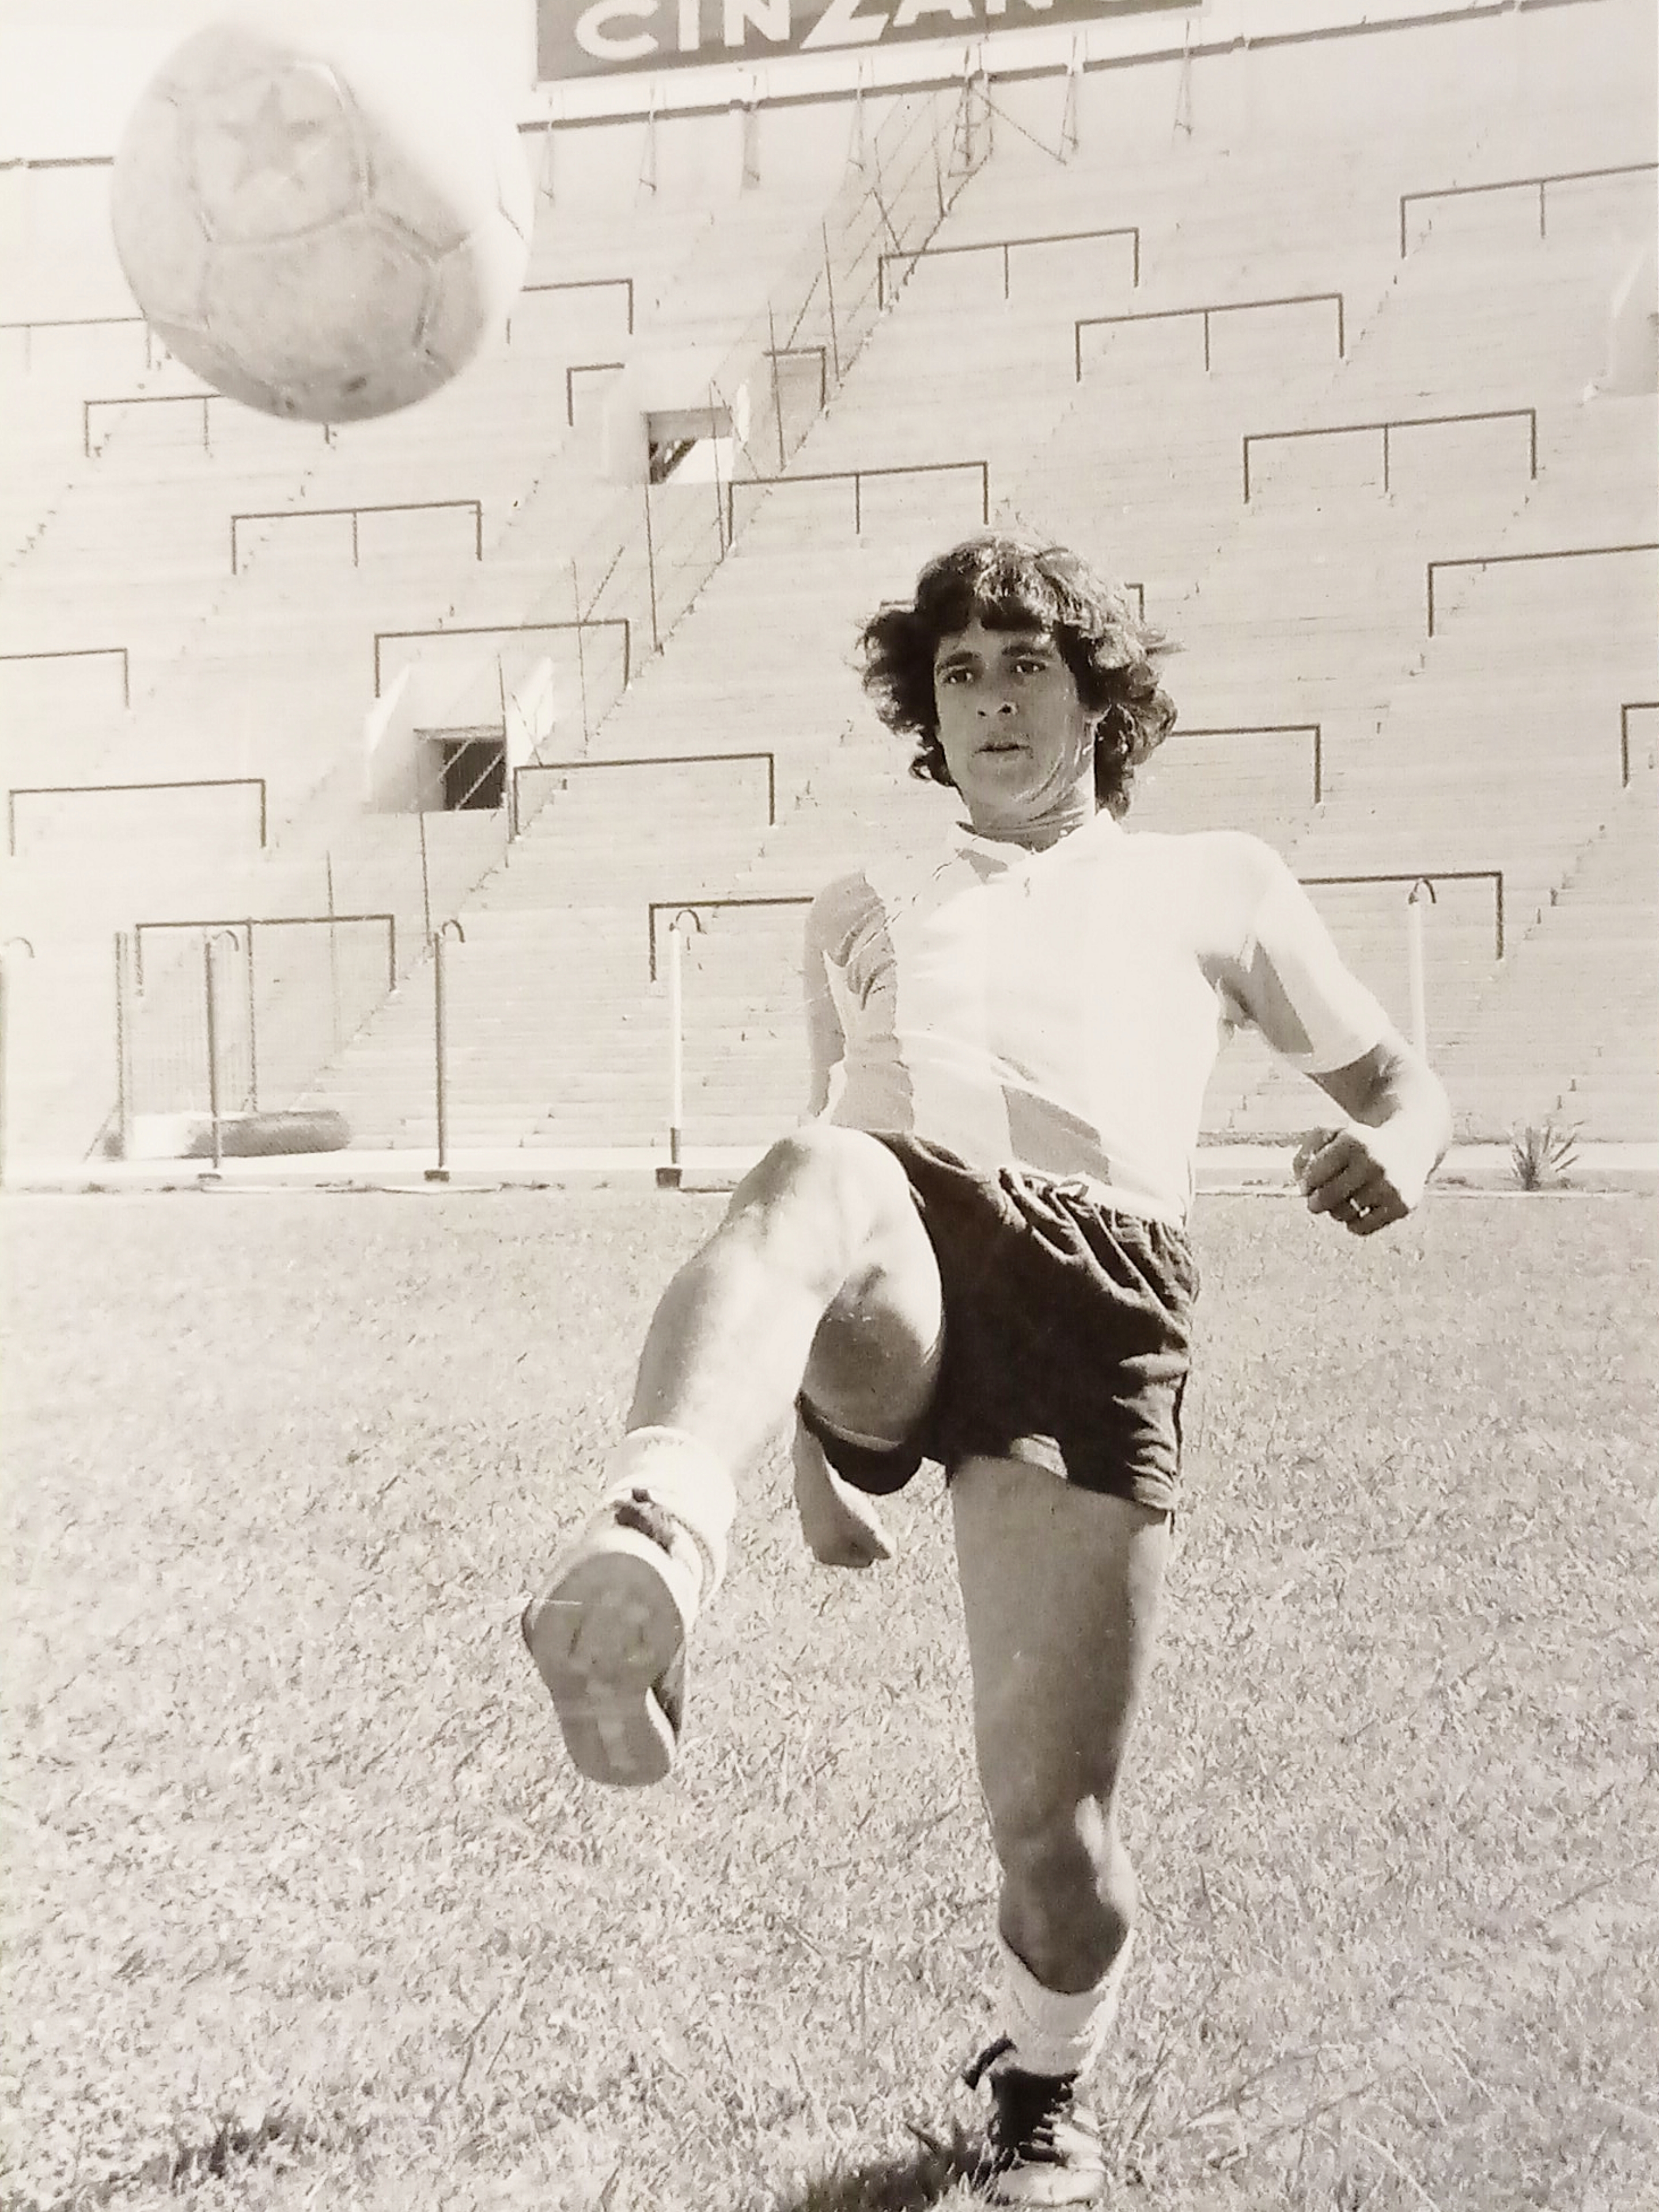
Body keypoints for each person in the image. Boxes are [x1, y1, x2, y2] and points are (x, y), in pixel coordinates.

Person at [521, 534, 1452, 2206]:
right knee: (818, 1172)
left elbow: (1401, 1083)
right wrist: (813, 1467)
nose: (992, 698)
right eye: (960, 671)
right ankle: (653, 1536)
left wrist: (1408, 1152)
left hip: (1099, 1294)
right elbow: (805, 1192)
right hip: (902, 1235)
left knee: (1056, 1843)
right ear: (924, 716)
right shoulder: (859, 902)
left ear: (1100, 701)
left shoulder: (1220, 882)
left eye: (1026, 664)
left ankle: (1043, 2082)